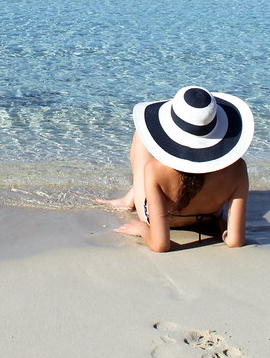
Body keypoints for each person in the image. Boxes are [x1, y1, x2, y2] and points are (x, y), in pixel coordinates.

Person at [97, 86, 253, 252]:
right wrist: (223, 230)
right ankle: (130, 197)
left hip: (165, 221)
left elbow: (161, 245)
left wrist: (142, 229)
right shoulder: (238, 168)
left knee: (142, 135)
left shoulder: (154, 169)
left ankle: (129, 200)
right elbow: (235, 241)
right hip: (209, 219)